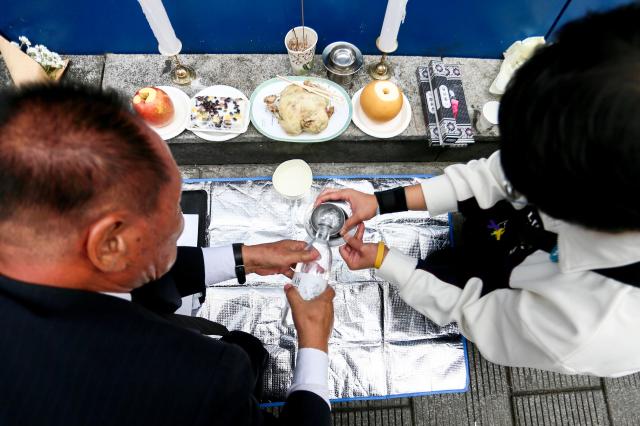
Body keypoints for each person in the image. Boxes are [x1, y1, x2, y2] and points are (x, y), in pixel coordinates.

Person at [316, 4, 640, 377]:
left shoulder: (587, 330)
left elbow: (474, 311)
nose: (505, 168)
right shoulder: (592, 146)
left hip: (506, 287)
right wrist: (381, 202)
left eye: (525, 170)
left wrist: (387, 262)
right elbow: (488, 178)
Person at [0, 83, 334, 425]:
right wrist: (313, 341)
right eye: (174, 209)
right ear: (111, 244)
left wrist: (245, 257)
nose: (179, 224)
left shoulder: (32, 250)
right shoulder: (187, 384)